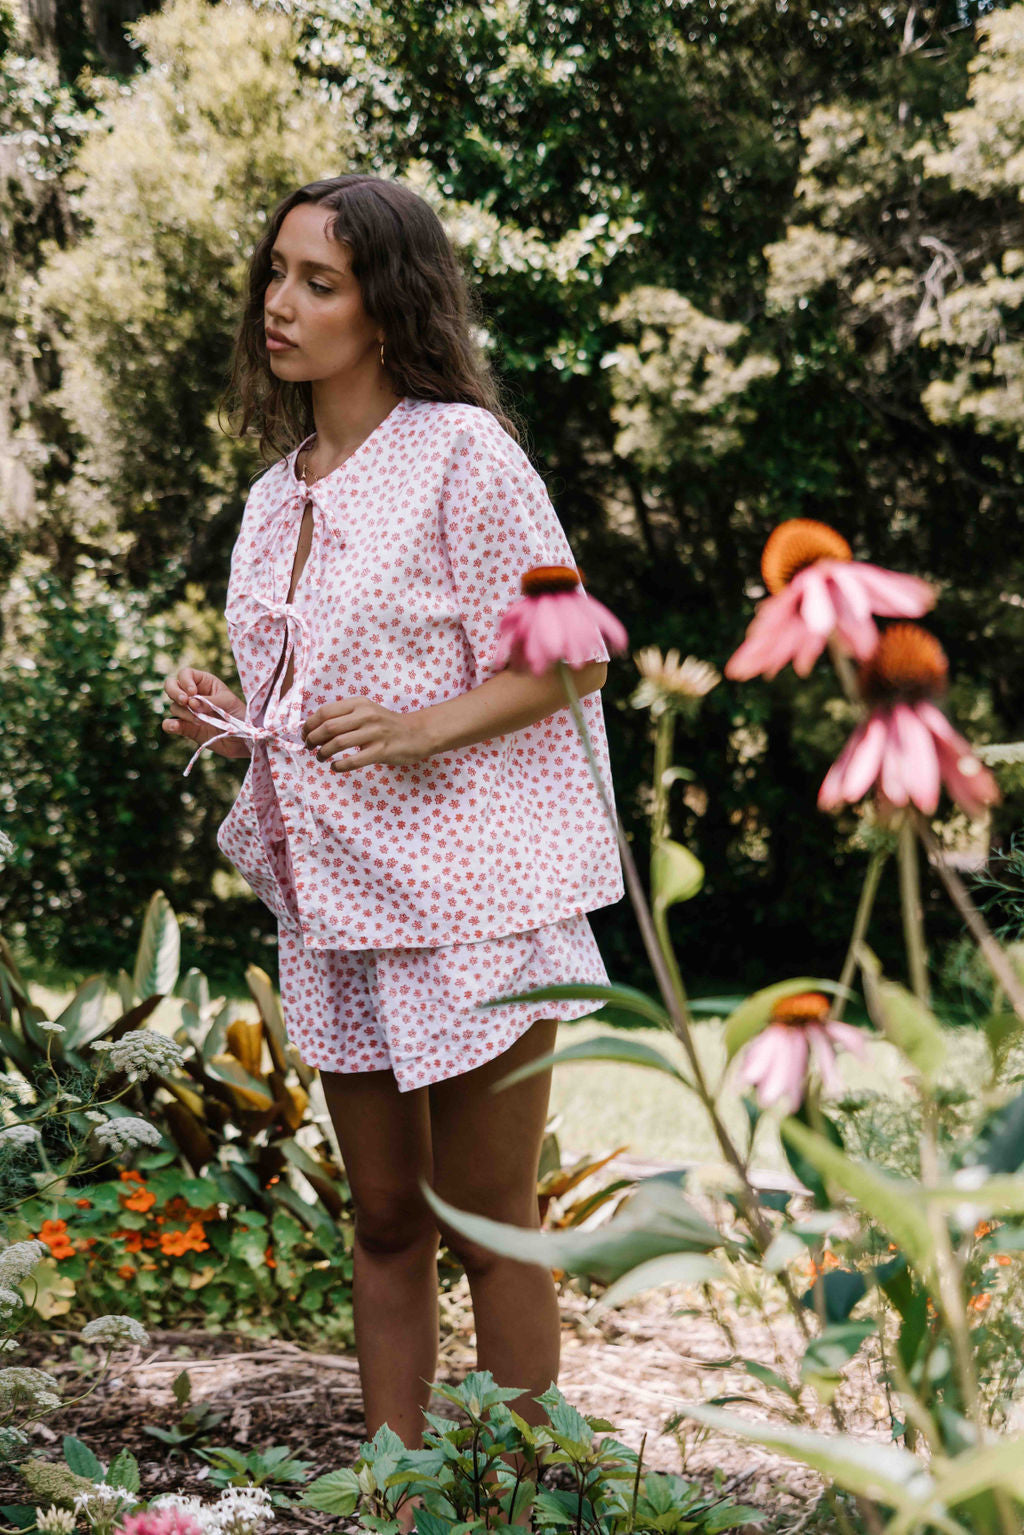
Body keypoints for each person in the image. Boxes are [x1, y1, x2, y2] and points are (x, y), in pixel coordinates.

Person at [162, 174, 624, 1523]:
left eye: (321, 281)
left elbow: (573, 656)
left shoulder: (467, 458)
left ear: (386, 307)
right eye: (278, 273)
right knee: (382, 1222)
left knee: (490, 1223)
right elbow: (322, 718)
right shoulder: (271, 499)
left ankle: (532, 1503)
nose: (281, 302)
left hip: (479, 899)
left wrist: (424, 730)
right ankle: (400, 1499)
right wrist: (238, 725)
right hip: (344, 909)